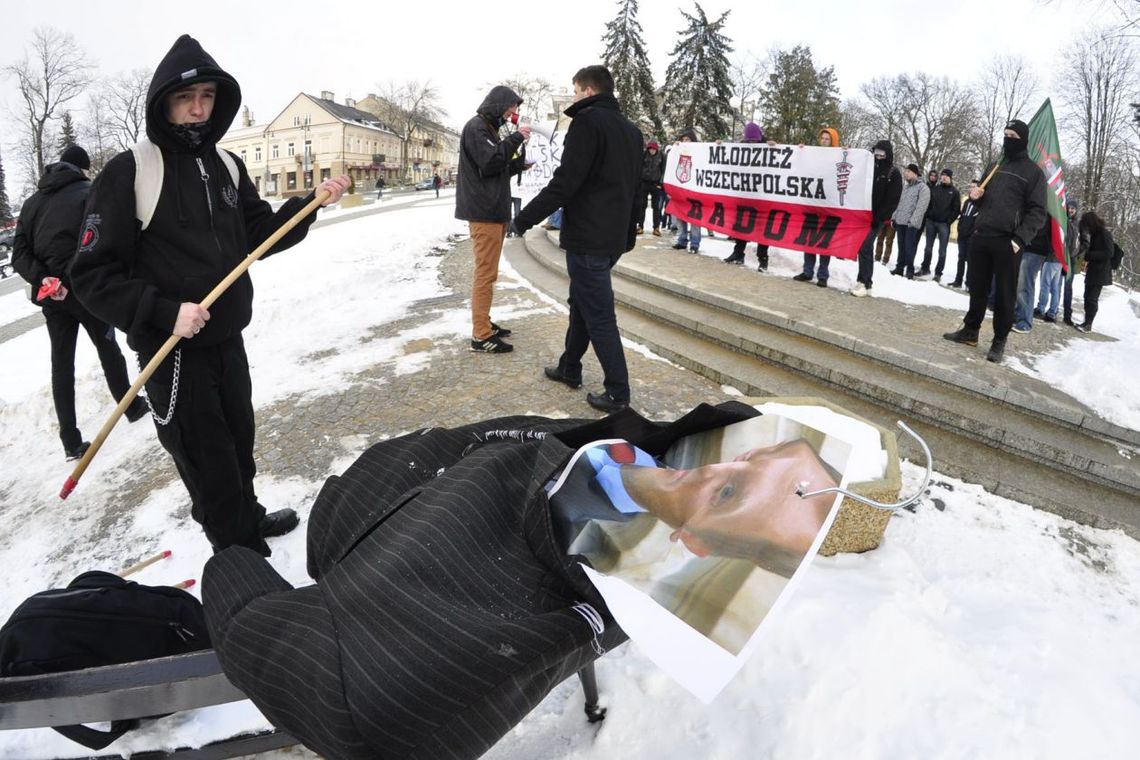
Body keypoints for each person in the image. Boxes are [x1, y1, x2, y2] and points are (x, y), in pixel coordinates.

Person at [69, 35, 350, 557]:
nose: (198, 108)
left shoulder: (226, 165)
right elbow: (91, 274)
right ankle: (239, 560)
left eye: (206, 96)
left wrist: (308, 205)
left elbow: (258, 236)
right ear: (162, 102)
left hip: (225, 339)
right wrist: (163, 312)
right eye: (185, 97)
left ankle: (247, 518)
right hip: (171, 353)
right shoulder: (131, 171)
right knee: (207, 461)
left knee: (238, 446)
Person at [512, 64, 643, 414]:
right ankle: (570, 366)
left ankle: (618, 391)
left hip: (588, 238)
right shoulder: (631, 131)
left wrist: (524, 218)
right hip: (613, 238)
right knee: (582, 304)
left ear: (587, 91)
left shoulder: (586, 124)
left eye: (574, 90)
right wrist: (628, 233)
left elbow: (565, 183)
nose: (572, 97)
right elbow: (637, 190)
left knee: (598, 315)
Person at [11, 145, 149, 460]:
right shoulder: (89, 192)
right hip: (86, 291)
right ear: (82, 169)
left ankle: (70, 440)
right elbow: (97, 241)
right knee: (108, 348)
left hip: (53, 297)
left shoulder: (31, 205)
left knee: (61, 365)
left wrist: (44, 279)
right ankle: (132, 407)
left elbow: (19, 253)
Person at [549, 438, 837, 578]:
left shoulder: (573, 533)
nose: (711, 468)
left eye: (725, 493)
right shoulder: (664, 444)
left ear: (695, 541)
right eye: (749, 457)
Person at [943, 119, 1047, 363]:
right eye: (1006, 134)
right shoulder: (994, 165)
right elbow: (983, 199)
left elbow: (1037, 212)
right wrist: (977, 198)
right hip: (982, 235)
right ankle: (970, 331)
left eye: (1013, 135)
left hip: (1008, 241)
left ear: (1022, 139)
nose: (1007, 139)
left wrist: (1020, 239)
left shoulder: (1033, 172)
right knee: (977, 287)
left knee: (1004, 293)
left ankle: (999, 340)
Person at [455, 84, 530, 353]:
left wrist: (519, 164)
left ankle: (484, 322)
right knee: (485, 274)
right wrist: (517, 138)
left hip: (493, 210)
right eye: (513, 107)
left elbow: (495, 168)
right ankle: (481, 335)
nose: (515, 113)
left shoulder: (489, 130)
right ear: (499, 104)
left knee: (490, 273)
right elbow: (488, 161)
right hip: (483, 212)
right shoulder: (476, 127)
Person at [850, 140, 902, 297]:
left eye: (881, 153)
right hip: (864, 215)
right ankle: (862, 281)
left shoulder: (894, 173)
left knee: (866, 246)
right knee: (862, 247)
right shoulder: (870, 168)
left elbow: (893, 200)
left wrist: (879, 217)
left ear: (887, 154)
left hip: (878, 218)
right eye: (876, 153)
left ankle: (866, 282)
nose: (878, 156)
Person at [792, 127, 841, 287]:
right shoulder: (812, 154)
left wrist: (847, 153)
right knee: (809, 239)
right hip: (812, 204)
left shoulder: (839, 156)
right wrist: (800, 152)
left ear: (832, 141)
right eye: (822, 138)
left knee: (824, 241)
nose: (824, 141)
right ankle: (807, 271)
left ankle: (823, 275)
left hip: (828, 206)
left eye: (827, 139)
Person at [723, 123, 771, 271]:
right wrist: (720, 146)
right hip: (745, 196)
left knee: (762, 230)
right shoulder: (741, 148)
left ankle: (763, 260)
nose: (752, 144)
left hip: (762, 197)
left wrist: (774, 147)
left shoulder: (768, 147)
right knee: (741, 227)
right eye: (749, 141)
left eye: (754, 141)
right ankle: (738, 253)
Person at [1075, 210, 1114, 333]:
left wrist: (1090, 255)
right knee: (1087, 296)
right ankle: (1086, 322)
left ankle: (1088, 324)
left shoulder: (1104, 234)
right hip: (1093, 270)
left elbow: (1109, 252)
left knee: (1092, 298)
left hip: (1101, 272)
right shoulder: (1096, 234)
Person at [1012, 221, 1054, 333]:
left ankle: (1025, 322)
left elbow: (1040, 226)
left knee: (1025, 285)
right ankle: (1018, 316)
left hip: (1035, 248)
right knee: (1020, 284)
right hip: (1027, 246)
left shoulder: (1046, 207)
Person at [890, 164, 930, 279]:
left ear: (915, 173)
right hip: (900, 222)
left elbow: (921, 207)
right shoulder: (905, 187)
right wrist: (894, 217)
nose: (906, 173)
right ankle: (899, 268)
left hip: (911, 224)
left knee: (909, 247)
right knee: (901, 246)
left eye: (908, 171)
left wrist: (913, 221)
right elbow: (899, 203)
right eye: (905, 171)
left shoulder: (923, 188)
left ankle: (910, 270)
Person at [920, 168, 961, 282]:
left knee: (942, 251)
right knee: (928, 248)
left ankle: (938, 273)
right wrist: (928, 214)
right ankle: (925, 268)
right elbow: (929, 203)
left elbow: (956, 210)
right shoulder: (935, 189)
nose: (943, 177)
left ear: (950, 178)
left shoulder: (955, 192)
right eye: (942, 175)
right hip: (931, 222)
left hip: (944, 225)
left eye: (946, 176)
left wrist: (948, 221)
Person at [669, 128, 701, 253]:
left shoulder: (700, 152)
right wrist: (675, 149)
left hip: (695, 191)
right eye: (683, 140)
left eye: (687, 139)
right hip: (681, 189)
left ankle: (694, 243)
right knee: (680, 215)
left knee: (694, 218)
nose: (685, 142)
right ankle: (682, 240)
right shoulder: (679, 151)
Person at [949, 176, 980, 288]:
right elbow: (962, 216)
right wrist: (960, 229)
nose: (971, 189)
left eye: (974, 187)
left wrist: (972, 233)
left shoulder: (980, 204)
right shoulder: (966, 201)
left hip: (971, 236)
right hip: (962, 235)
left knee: (970, 260)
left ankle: (969, 283)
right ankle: (958, 280)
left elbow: (977, 221)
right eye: (970, 187)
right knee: (961, 258)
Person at [637, 140, 665, 236]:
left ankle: (656, 228)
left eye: (653, 149)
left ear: (656, 148)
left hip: (655, 184)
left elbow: (663, 170)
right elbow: (639, 167)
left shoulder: (661, 155)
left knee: (656, 207)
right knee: (642, 206)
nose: (652, 150)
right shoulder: (644, 154)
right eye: (650, 149)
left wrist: (661, 184)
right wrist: (639, 181)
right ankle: (640, 226)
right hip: (644, 183)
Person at [914, 169, 939, 272]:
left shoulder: (938, 189)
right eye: (931, 175)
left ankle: (926, 266)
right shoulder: (925, 186)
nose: (933, 177)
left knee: (929, 245)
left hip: (930, 218)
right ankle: (909, 260)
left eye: (935, 176)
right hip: (921, 216)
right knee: (914, 239)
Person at [1061, 199, 1081, 326]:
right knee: (1054, 285)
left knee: (1068, 288)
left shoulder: (1079, 224)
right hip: (1059, 256)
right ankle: (1049, 310)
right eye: (1069, 207)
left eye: (1073, 208)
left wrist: (1076, 253)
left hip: (1071, 259)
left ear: (1076, 210)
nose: (1070, 210)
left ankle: (1067, 315)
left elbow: (1084, 242)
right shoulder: (1062, 219)